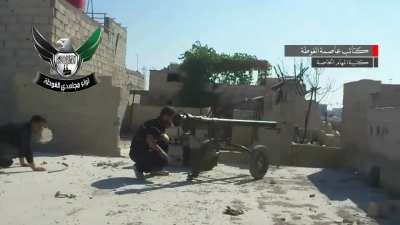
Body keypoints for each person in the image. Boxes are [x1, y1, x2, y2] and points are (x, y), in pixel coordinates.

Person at [129, 106, 176, 179]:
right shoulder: (153, 126)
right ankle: (138, 168)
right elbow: (151, 143)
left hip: (144, 150)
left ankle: (154, 170)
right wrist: (166, 156)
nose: (171, 120)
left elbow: (162, 138)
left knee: (164, 145)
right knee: (162, 158)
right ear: (165, 116)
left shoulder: (160, 124)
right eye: (170, 118)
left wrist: (168, 139)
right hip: (137, 153)